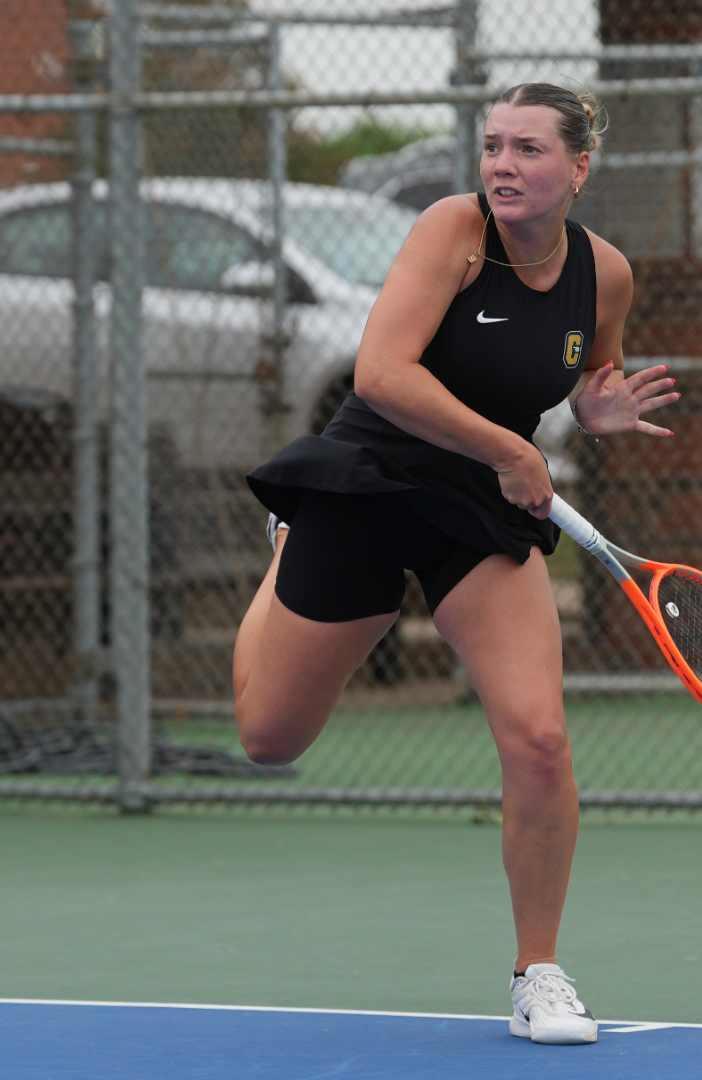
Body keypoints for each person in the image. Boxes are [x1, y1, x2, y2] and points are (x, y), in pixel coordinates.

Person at [234, 82, 679, 1046]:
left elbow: (587, 376)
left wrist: (589, 414)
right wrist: (516, 450)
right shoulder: (453, 232)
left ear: (579, 169)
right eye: (493, 147)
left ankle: (540, 972)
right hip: (370, 477)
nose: (504, 166)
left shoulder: (604, 274)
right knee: (270, 740)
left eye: (529, 149)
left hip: (477, 510)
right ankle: (284, 556)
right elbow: (382, 374)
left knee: (540, 740)